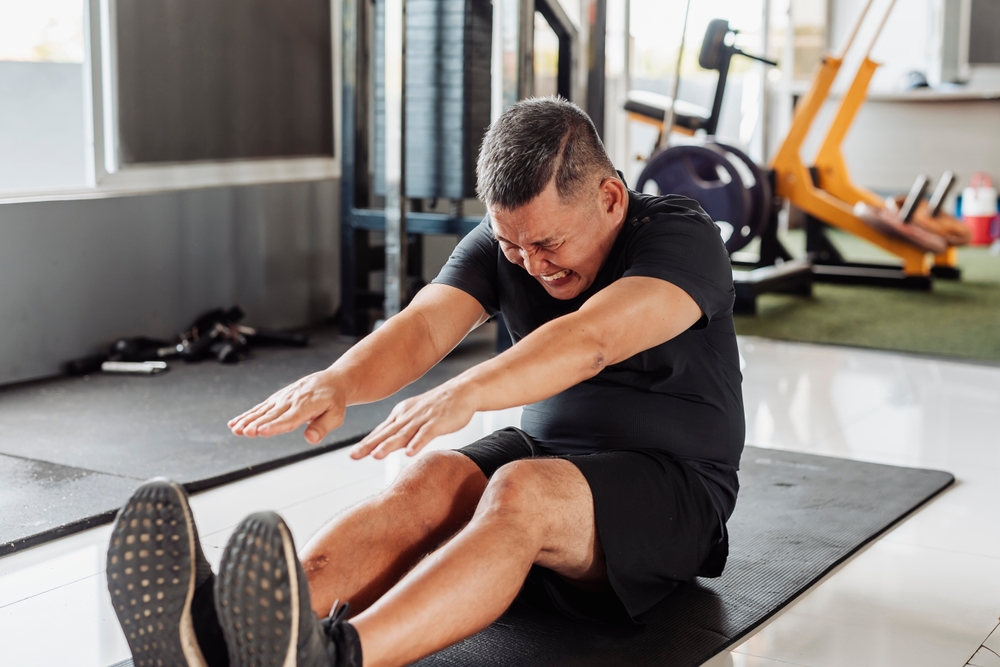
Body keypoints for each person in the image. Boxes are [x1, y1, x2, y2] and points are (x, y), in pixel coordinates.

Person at [106, 96, 744, 667]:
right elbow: (424, 326)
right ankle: (221, 636)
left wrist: (465, 390)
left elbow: (590, 340)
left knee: (521, 487)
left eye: (547, 244)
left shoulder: (680, 237)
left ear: (609, 197)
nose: (531, 264)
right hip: (556, 461)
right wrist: (339, 381)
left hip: (675, 492)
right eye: (514, 247)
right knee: (430, 478)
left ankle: (334, 656)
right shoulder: (511, 244)